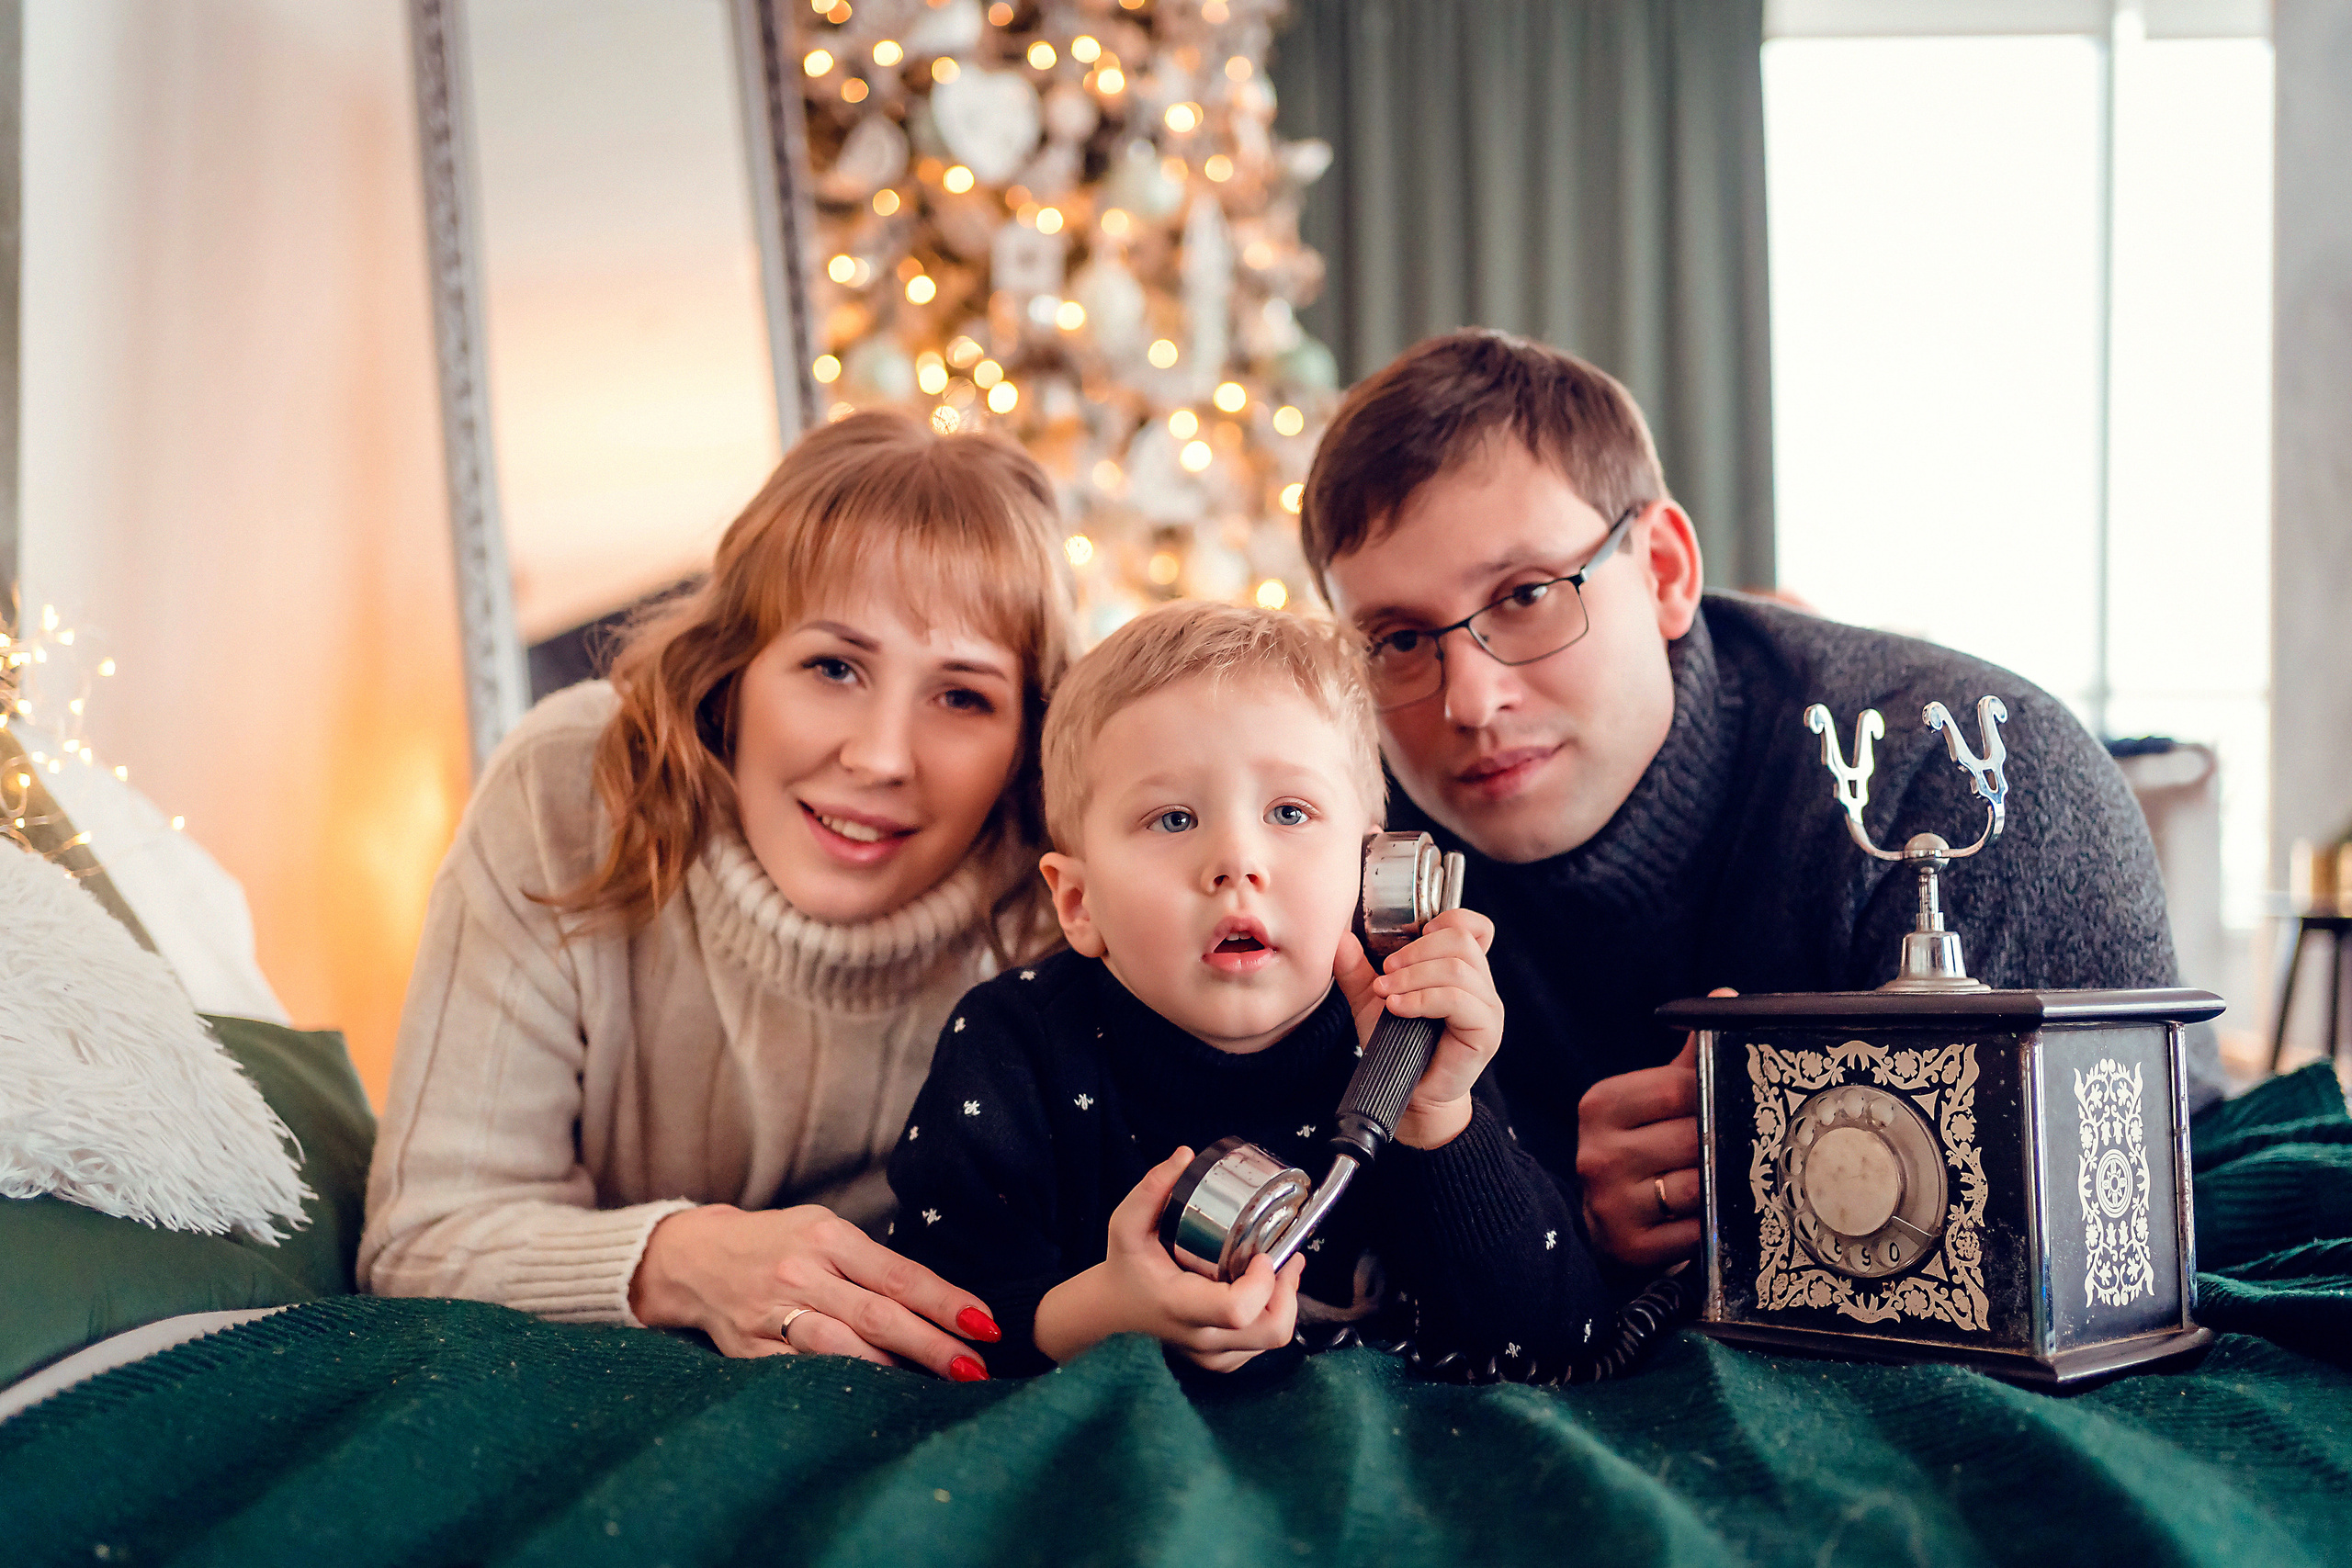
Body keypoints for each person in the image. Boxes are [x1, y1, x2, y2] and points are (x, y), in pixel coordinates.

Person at [1301, 328, 2209, 1280]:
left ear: (1664, 571)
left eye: (1527, 594)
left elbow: (2104, 1227)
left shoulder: (1963, 773)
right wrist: (1556, 1216)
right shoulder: (1338, 840)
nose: (1468, 702)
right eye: (1397, 640)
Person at [360, 411, 1076, 1381]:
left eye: (961, 696)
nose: (877, 757)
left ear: (1027, 744)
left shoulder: (1068, 893)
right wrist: (686, 1261)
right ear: (731, 673)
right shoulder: (571, 790)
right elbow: (423, 1237)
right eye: (833, 666)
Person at [886, 602, 1609, 1379]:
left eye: (1290, 811)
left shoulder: (1415, 1041)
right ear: (1079, 904)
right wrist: (1098, 1315)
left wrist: (1438, 1120)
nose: (1236, 860)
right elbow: (930, 1317)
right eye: (1173, 818)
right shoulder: (1008, 1046)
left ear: (1373, 872)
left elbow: (1555, 1338)